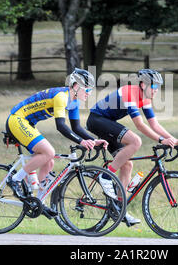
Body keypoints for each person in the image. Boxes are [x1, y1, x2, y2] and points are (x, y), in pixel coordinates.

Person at [87, 69, 178, 225]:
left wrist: (174, 140)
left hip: (107, 123)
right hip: (97, 120)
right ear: (143, 84)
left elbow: (154, 124)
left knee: (127, 165)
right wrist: (161, 140)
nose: (156, 90)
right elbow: (140, 125)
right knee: (135, 141)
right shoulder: (129, 93)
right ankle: (106, 176)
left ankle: (120, 210)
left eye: (158, 86)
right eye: (153, 86)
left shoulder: (145, 98)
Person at [6, 68, 108, 218]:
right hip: (18, 119)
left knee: (49, 163)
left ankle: (39, 203)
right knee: (49, 152)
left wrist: (93, 141)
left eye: (91, 90)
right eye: (87, 89)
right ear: (75, 86)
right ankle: (14, 179)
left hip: (28, 123)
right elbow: (61, 126)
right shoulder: (62, 96)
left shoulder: (73, 102)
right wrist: (81, 141)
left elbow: (76, 127)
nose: (89, 93)